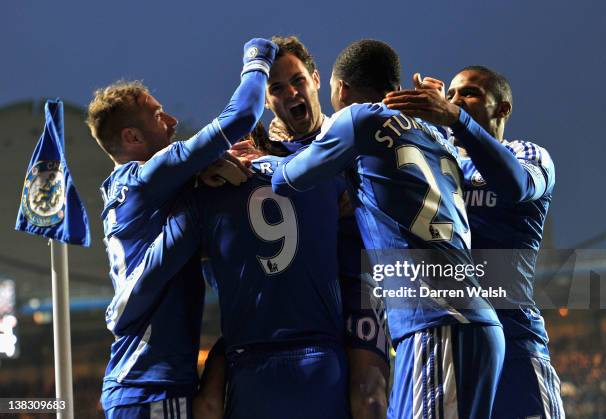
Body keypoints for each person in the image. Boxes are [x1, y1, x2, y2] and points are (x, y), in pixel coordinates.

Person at [271, 39, 505, 419]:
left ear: (338, 88)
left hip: (435, 321)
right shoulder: (437, 134)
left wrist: (268, 154)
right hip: (470, 322)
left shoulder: (357, 119)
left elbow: (286, 180)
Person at [86, 38, 278, 418]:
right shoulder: (147, 176)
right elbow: (242, 116)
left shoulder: (122, 193)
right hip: (153, 389)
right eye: (159, 115)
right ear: (132, 137)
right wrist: (258, 57)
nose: (172, 122)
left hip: (133, 386)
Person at [384, 65, 564, 418]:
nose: (456, 101)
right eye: (450, 95)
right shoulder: (440, 161)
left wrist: (454, 120)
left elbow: (516, 186)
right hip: (452, 347)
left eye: (469, 93)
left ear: (503, 108)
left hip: (515, 342)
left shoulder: (528, 154)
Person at [257, 35, 390, 419]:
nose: (291, 93)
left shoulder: (351, 133)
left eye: (297, 80)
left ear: (316, 79)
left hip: (359, 282)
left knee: (368, 400)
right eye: (277, 88)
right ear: (268, 100)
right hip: (295, 296)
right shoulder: (261, 152)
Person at [195, 123, 350, 419]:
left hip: (252, 363)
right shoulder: (320, 173)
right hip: (321, 360)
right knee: (370, 391)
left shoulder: (207, 191)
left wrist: (199, 173)